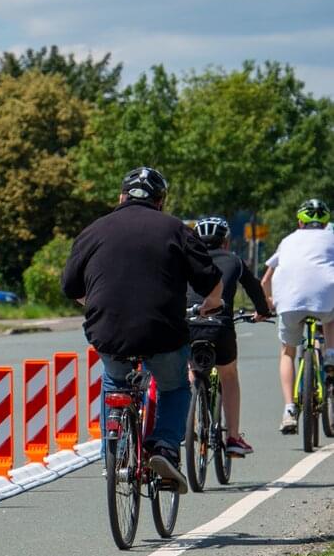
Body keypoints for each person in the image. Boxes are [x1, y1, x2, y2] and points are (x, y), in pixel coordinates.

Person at [62, 167, 224, 494]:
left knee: (114, 380)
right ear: (161, 201)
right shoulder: (176, 229)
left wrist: (95, 303)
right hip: (162, 331)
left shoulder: (93, 231)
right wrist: (212, 304)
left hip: (107, 331)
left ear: (121, 196)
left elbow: (70, 286)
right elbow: (211, 280)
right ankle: (164, 446)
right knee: (175, 386)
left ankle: (114, 449)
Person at [187, 216, 272, 455]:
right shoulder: (234, 260)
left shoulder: (185, 259)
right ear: (225, 242)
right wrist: (262, 312)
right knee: (229, 374)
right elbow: (254, 287)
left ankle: (189, 420)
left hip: (189, 323)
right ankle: (234, 437)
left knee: (188, 366)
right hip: (220, 327)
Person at [261, 198, 334, 434]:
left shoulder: (287, 241)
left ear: (300, 222)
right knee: (330, 317)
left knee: (287, 352)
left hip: (289, 303)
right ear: (325, 222)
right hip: (325, 299)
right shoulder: (331, 236)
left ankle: (289, 409)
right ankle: (331, 355)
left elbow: (266, 280)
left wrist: (269, 303)